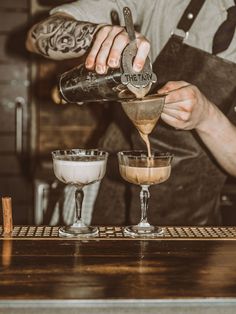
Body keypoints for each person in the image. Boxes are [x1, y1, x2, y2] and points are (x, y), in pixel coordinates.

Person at [26, 0, 236, 226]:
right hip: (109, 199)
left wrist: (206, 117)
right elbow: (36, 37)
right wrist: (97, 36)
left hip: (193, 218)